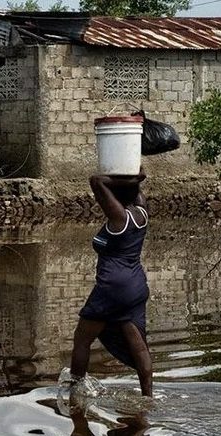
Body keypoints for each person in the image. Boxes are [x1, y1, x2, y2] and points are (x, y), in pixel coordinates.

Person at [70, 167, 153, 397]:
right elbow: (140, 177)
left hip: (112, 287)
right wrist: (130, 166)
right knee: (138, 344)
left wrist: (113, 177)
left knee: (82, 339)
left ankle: (75, 391)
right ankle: (148, 396)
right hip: (136, 285)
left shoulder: (120, 218)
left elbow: (96, 181)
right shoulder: (141, 211)